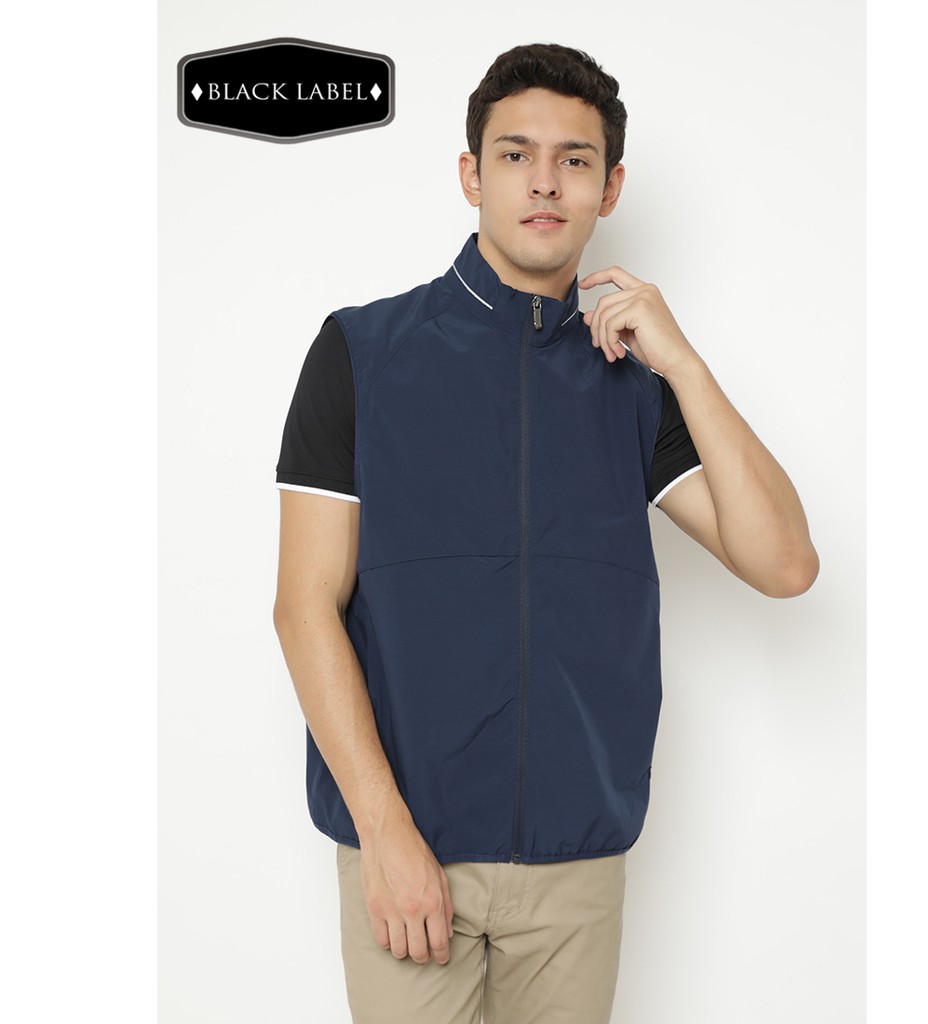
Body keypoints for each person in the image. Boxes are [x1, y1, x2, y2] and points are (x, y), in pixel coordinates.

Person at [273, 42, 818, 1024]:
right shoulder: (361, 353)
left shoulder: (631, 385)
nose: (543, 181)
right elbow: (304, 606)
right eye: (515, 154)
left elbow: (784, 564)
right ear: (471, 174)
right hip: (407, 851)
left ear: (610, 189)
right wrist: (383, 831)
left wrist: (685, 365)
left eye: (574, 159)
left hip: (576, 868)